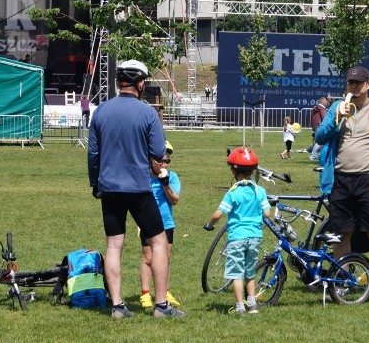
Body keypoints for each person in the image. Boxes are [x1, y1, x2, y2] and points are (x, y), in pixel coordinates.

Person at [87, 59, 185, 319]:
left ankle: (117, 306)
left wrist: (95, 184)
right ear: (140, 83)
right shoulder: (147, 113)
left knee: (114, 246)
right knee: (159, 242)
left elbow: (93, 154)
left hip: (109, 188)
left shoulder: (101, 111)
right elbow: (158, 152)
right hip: (139, 189)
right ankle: (162, 305)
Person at [315, 66, 369, 301]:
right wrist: (336, 119)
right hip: (340, 180)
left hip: (368, 182)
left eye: (359, 82)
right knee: (342, 234)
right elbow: (320, 137)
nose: (354, 86)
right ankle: (343, 280)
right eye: (350, 82)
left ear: (368, 85)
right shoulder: (336, 108)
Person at [203, 147, 271, 315]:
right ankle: (252, 304)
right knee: (250, 271)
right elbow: (267, 213)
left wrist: (209, 224)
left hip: (237, 237)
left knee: (236, 272)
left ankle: (240, 306)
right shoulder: (260, 191)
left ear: (233, 170)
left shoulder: (232, 193)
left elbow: (218, 214)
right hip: (255, 236)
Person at [138, 141, 181, 310]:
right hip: (147, 222)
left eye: (167, 161)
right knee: (148, 258)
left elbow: (174, 200)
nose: (164, 164)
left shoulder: (173, 177)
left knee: (166, 258)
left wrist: (165, 184)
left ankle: (165, 292)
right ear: (150, 160)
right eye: (160, 160)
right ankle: (145, 294)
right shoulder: (143, 177)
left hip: (166, 223)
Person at [309, 96, 329, 160]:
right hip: (320, 127)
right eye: (325, 101)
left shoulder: (316, 108)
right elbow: (325, 118)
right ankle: (313, 156)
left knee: (320, 141)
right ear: (322, 102)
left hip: (316, 126)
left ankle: (317, 155)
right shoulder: (322, 109)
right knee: (319, 142)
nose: (326, 102)